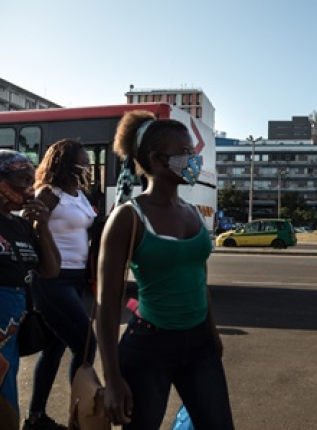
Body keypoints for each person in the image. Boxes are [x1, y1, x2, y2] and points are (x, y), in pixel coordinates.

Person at [97, 110, 234, 429]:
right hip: (149, 348)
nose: (193, 159)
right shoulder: (127, 218)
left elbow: (199, 279)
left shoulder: (192, 213)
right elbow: (106, 303)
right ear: (159, 161)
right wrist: (112, 378)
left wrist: (211, 334)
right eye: (185, 153)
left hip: (200, 345)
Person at [0, 150, 60, 429]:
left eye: (31, 181)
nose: (29, 188)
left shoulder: (21, 224)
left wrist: (42, 227)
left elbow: (50, 269)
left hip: (8, 329)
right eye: (22, 179)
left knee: (3, 398)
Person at [23, 139, 98, 430]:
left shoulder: (78, 194)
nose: (88, 168)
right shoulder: (50, 193)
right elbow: (29, 226)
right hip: (51, 280)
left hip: (76, 279)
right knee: (86, 344)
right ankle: (80, 415)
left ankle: (35, 417)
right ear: (65, 164)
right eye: (83, 162)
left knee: (54, 349)